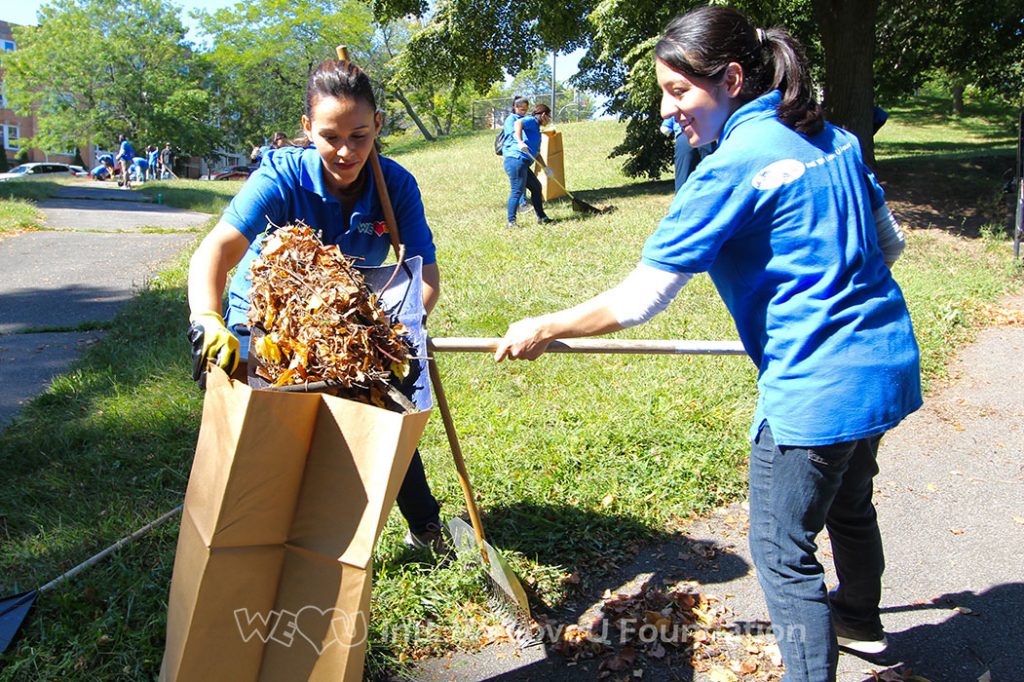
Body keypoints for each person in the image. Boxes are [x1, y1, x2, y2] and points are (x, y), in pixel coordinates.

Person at [494, 7, 921, 681]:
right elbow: (888, 244)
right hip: (886, 363)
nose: (669, 112)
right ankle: (860, 622)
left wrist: (543, 325)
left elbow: (640, 300)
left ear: (730, 78)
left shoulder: (732, 167)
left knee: (781, 548)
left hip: (814, 391)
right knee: (848, 501)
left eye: (678, 92)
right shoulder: (833, 137)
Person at [186, 57, 446, 552]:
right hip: (266, 320)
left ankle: (425, 527)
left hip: (350, 323)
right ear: (307, 128)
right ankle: (253, 541)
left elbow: (423, 276)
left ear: (378, 127)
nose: (346, 151)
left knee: (387, 404)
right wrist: (206, 317)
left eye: (360, 135)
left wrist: (396, 328)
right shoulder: (281, 176)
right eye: (330, 136)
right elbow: (215, 252)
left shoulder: (396, 187)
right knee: (269, 430)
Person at [501, 98, 552, 229]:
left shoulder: (536, 129)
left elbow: (536, 152)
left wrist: (545, 168)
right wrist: (519, 141)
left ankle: (542, 217)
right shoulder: (531, 120)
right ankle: (511, 222)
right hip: (515, 159)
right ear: (543, 115)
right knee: (517, 190)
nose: (548, 121)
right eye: (548, 118)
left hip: (523, 162)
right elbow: (518, 123)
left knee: (536, 187)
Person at [659, 115, 716, 192]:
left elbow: (665, 129)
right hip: (706, 136)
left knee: (683, 180)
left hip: (684, 138)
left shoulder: (676, 107)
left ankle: (682, 202)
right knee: (713, 176)